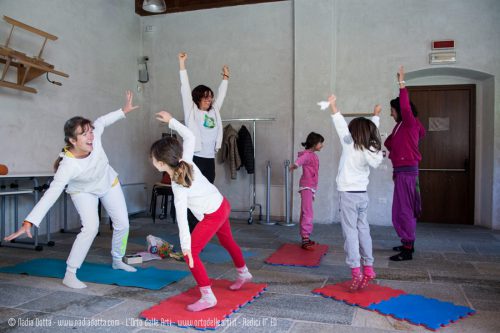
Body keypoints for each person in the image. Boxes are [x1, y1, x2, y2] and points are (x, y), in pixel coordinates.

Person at [4, 91, 139, 289]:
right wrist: (29, 221)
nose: (90, 136)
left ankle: (118, 259)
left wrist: (123, 111)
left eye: (90, 131)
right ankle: (70, 273)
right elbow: (51, 193)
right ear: (73, 141)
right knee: (91, 228)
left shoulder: (96, 136)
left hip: (108, 183)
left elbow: (101, 121)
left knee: (123, 224)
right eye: (84, 134)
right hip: (83, 191)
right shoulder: (68, 165)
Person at [150, 111, 252, 312]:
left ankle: (208, 296)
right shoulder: (185, 160)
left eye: (152, 158)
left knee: (192, 255)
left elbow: (181, 219)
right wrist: (171, 121)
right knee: (226, 241)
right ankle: (244, 273)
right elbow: (190, 136)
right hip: (222, 204)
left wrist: (186, 247)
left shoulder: (178, 186)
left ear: (161, 164)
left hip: (214, 214)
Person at [329, 94, 383, 291]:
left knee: (350, 233)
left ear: (353, 133)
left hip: (348, 196)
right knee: (364, 230)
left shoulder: (349, 143)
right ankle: (368, 268)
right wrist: (376, 116)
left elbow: (340, 124)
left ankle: (356, 271)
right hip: (362, 196)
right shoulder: (370, 149)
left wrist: (333, 106)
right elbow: (372, 131)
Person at [178, 52, 229, 231]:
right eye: (205, 97)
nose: (209, 100)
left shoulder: (214, 112)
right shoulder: (191, 111)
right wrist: (182, 65)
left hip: (208, 160)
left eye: (210, 97)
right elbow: (185, 88)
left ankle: (200, 229)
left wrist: (225, 78)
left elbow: (221, 97)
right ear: (198, 98)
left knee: (205, 194)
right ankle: (190, 232)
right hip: (195, 159)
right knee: (192, 195)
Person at [385, 66, 426, 261]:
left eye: (392, 111)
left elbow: (405, 105)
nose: (391, 114)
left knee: (404, 210)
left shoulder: (409, 122)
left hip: (407, 173)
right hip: (401, 172)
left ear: (400, 110)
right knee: (398, 210)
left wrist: (401, 83)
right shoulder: (400, 126)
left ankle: (408, 248)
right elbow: (391, 143)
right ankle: (406, 241)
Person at [290, 132, 324, 250]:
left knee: (305, 212)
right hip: (307, 187)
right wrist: (294, 165)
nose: (322, 145)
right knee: (308, 213)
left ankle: (306, 237)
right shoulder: (308, 154)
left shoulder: (313, 155)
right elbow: (301, 160)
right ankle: (305, 239)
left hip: (310, 187)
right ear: (314, 144)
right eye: (320, 143)